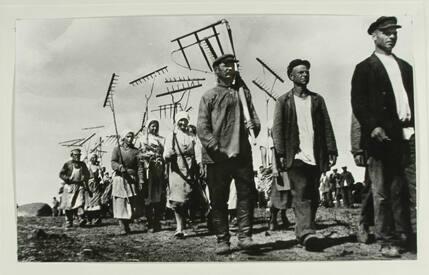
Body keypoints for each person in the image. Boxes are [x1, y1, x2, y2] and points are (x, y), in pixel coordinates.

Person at [351, 16, 415, 255]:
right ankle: (386, 240)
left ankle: (403, 235)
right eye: (386, 32)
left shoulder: (406, 67)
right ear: (374, 35)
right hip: (381, 138)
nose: (392, 36)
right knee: (381, 192)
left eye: (394, 32)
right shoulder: (365, 68)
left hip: (405, 135)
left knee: (401, 190)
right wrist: (373, 127)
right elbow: (359, 104)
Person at [197, 54, 261, 254]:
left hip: (241, 154)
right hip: (217, 157)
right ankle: (222, 240)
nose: (230, 68)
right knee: (218, 200)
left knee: (246, 195)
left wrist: (254, 126)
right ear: (216, 70)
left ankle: (245, 237)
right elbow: (202, 128)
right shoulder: (209, 96)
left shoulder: (242, 93)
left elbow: (254, 120)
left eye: (233, 65)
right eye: (225, 65)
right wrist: (217, 147)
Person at [272, 59, 337, 251]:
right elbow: (278, 129)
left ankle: (305, 229)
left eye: (307, 72)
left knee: (313, 194)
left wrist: (331, 149)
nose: (305, 75)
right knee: (300, 193)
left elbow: (327, 125)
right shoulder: (283, 101)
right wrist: (281, 153)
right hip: (296, 155)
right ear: (291, 76)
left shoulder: (317, 99)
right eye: (300, 72)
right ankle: (307, 233)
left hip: (316, 154)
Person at [164, 111, 201, 239]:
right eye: (181, 120)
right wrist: (169, 153)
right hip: (176, 169)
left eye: (185, 120)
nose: (183, 123)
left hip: (190, 168)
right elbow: (166, 153)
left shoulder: (192, 136)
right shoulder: (172, 136)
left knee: (187, 199)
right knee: (177, 199)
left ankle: (183, 226)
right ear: (177, 121)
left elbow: (198, 152)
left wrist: (200, 164)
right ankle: (179, 227)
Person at [136, 119, 166, 233]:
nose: (154, 128)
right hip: (147, 169)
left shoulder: (161, 139)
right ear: (148, 127)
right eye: (152, 126)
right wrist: (145, 155)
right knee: (148, 197)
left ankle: (157, 222)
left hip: (158, 169)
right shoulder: (142, 139)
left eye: (156, 126)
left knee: (158, 196)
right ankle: (150, 222)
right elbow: (137, 155)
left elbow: (164, 153)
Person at [111, 130, 143, 235]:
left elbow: (139, 167)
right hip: (120, 178)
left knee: (131, 202)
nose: (130, 139)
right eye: (128, 137)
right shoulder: (117, 149)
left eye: (132, 137)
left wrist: (141, 179)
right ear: (124, 138)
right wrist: (119, 167)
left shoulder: (136, 151)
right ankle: (122, 226)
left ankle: (127, 223)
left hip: (131, 178)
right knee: (120, 202)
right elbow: (113, 162)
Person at [59, 148, 90, 228]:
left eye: (79, 155)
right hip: (69, 186)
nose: (77, 157)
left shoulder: (82, 164)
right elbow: (61, 174)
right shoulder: (67, 164)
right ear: (72, 155)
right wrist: (66, 178)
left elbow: (87, 174)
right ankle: (69, 221)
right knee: (68, 205)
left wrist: (85, 179)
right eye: (76, 155)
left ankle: (81, 218)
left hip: (79, 186)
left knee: (80, 202)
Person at [84, 153, 103, 225]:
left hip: (96, 186)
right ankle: (89, 219)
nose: (95, 159)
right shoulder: (87, 166)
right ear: (91, 158)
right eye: (93, 158)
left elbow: (101, 177)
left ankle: (97, 219)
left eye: (96, 157)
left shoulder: (98, 167)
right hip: (89, 186)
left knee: (97, 202)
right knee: (88, 203)